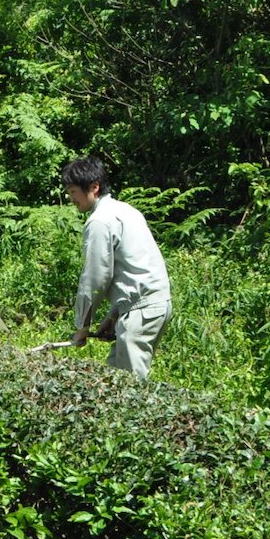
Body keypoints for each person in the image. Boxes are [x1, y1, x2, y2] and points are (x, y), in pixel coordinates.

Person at [63, 156, 170, 380]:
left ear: (94, 187)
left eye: (73, 192)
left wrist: (82, 326)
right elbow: (132, 269)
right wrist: (113, 316)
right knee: (114, 375)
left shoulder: (99, 222)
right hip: (154, 304)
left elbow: (95, 278)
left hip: (142, 311)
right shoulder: (125, 211)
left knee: (130, 388)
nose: (71, 198)